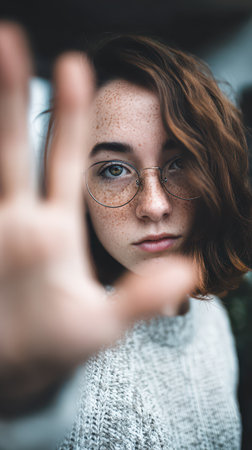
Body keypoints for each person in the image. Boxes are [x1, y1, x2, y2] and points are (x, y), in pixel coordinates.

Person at [0, 22, 251, 450]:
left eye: (178, 163)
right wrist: (26, 403)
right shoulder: (65, 342)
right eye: (114, 169)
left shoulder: (211, 319)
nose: (154, 205)